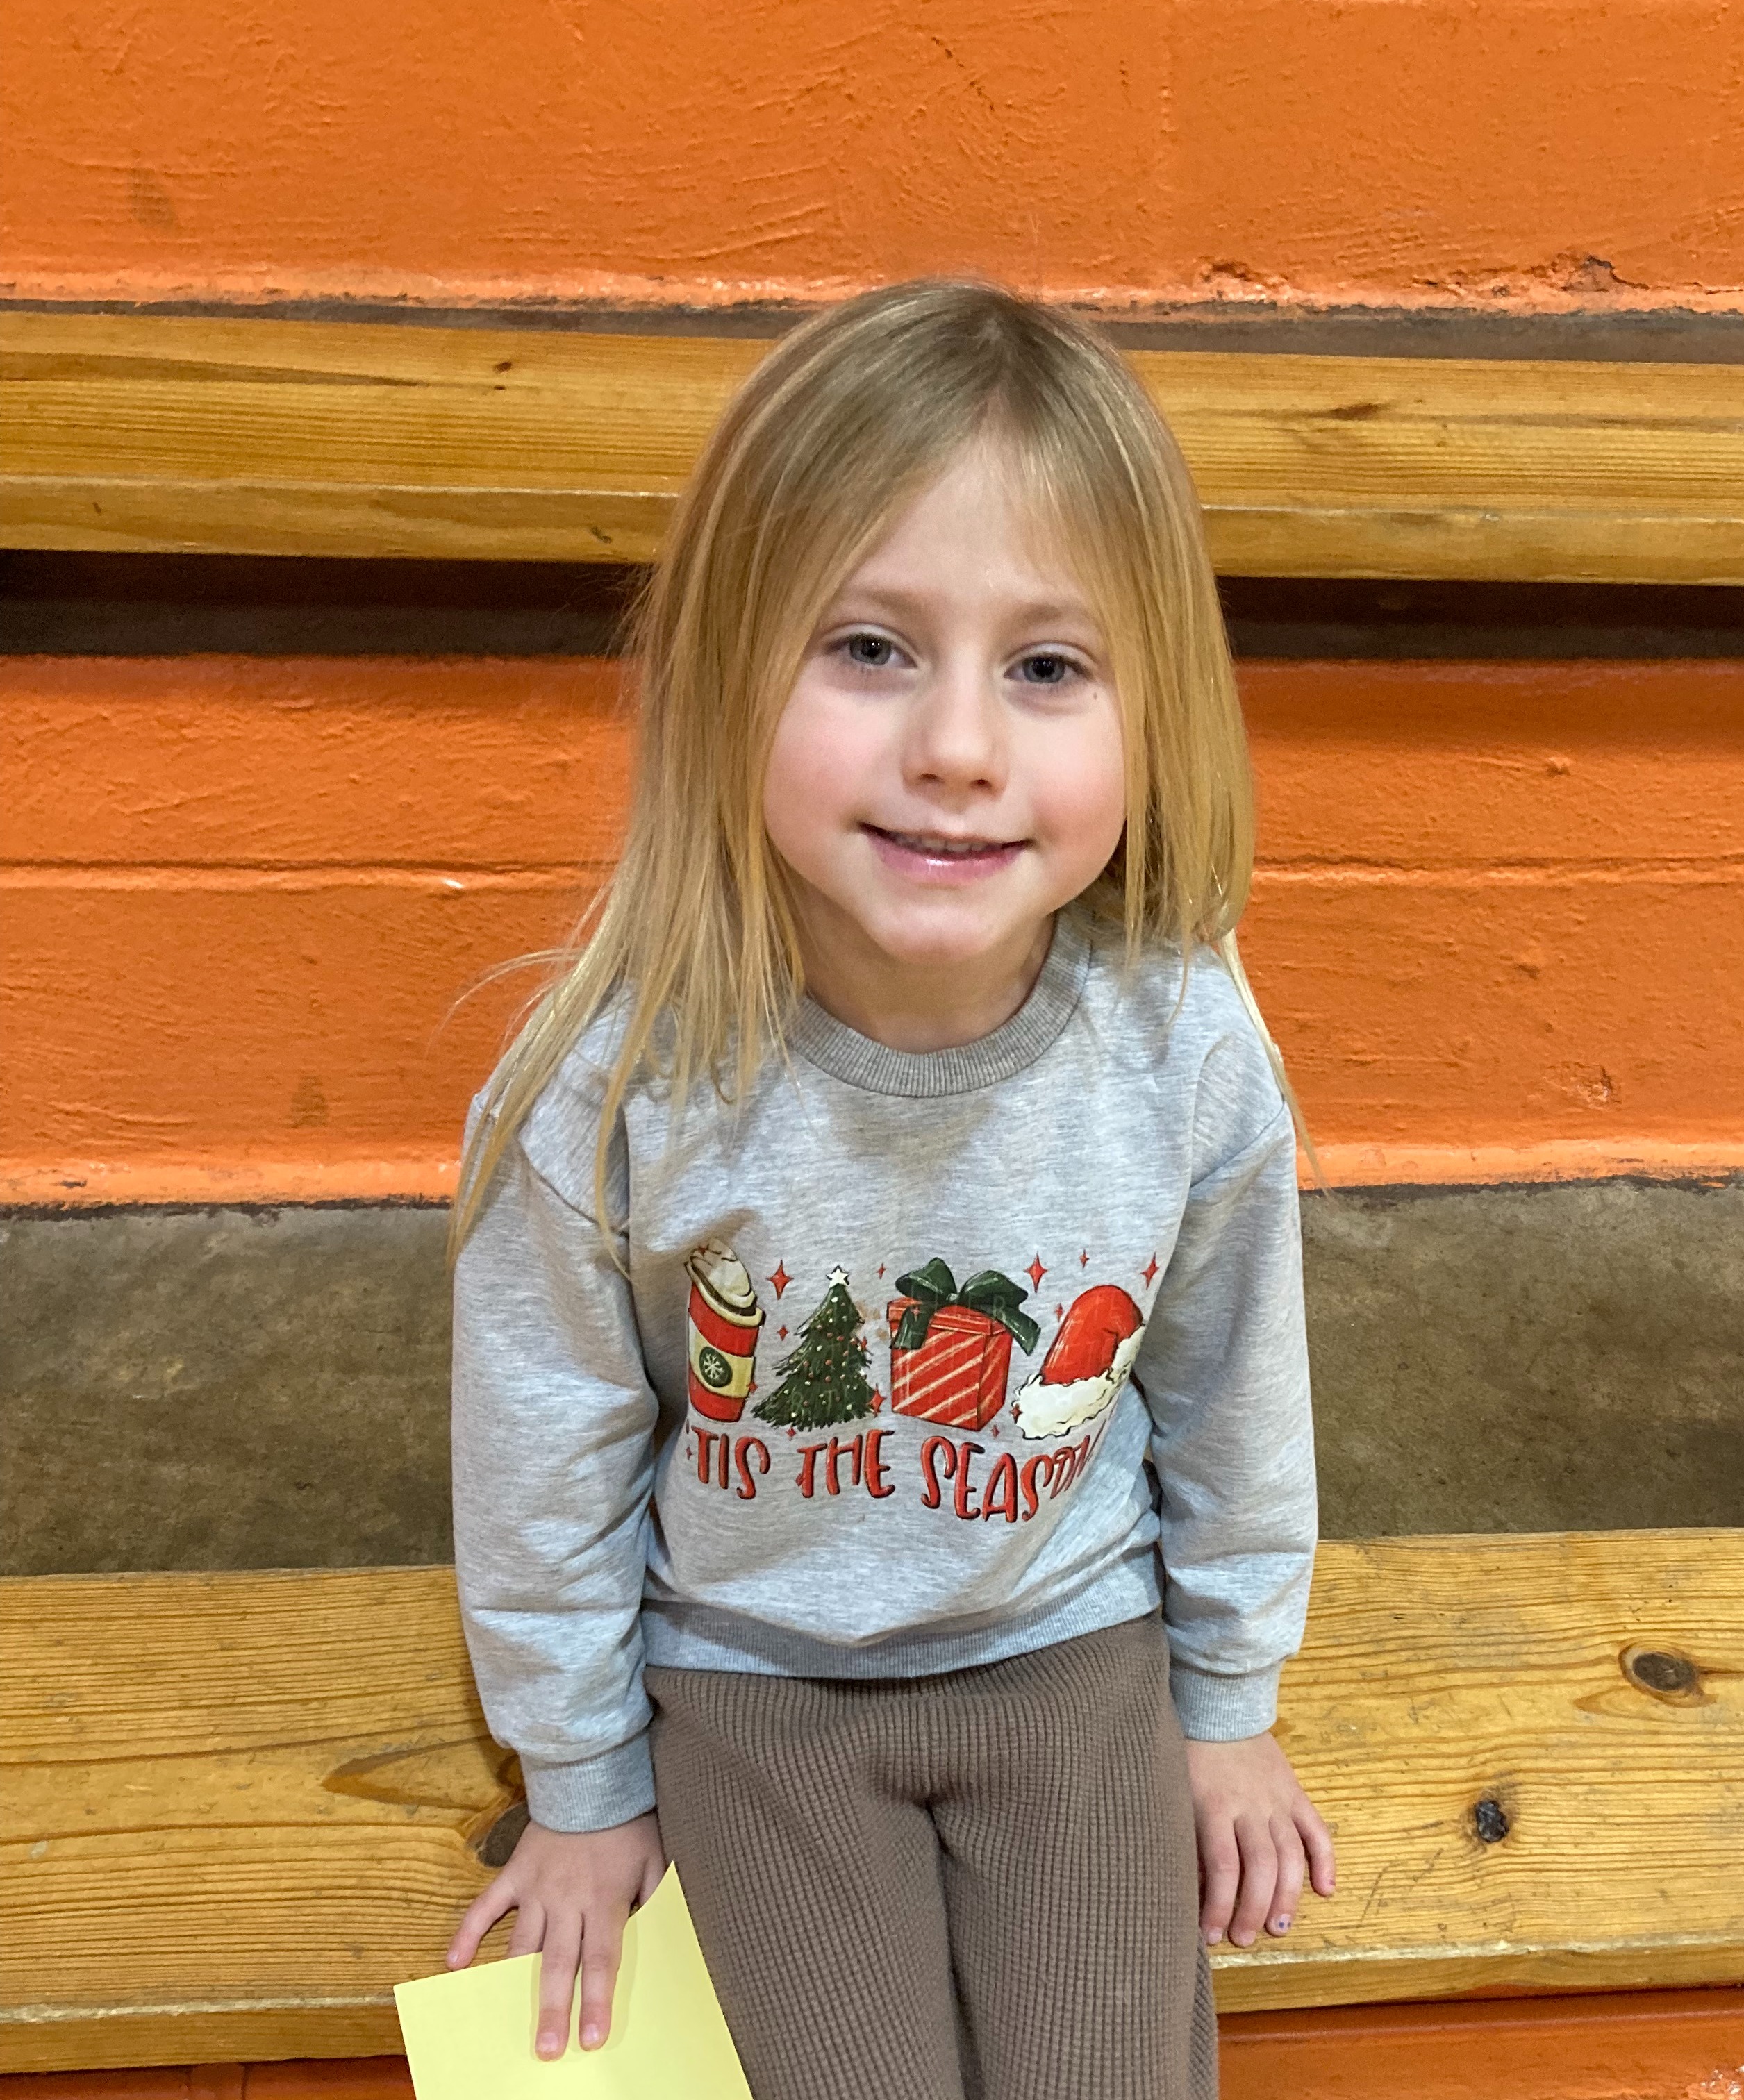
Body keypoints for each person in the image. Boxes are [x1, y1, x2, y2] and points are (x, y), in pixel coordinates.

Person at [443, 278, 1332, 2100]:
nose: (957, 747)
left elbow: (1233, 1391)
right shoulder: (614, 1080)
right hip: (754, 1682)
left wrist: (1229, 1708)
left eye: (1047, 666)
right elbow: (549, 1452)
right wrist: (586, 1787)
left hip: (1074, 1648)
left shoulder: (1187, 1037)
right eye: (869, 647)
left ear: (1151, 708)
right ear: (725, 672)